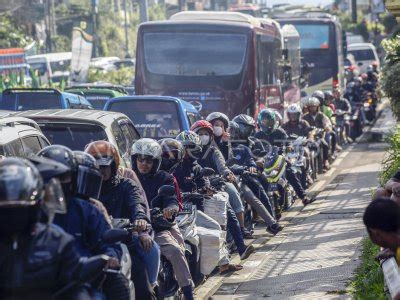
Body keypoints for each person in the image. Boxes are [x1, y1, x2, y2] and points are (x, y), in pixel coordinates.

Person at [0, 158, 84, 299]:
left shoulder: (58, 243)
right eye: (6, 210)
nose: (13, 217)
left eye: (20, 209)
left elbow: (77, 287)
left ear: (36, 205)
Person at [85, 140, 160, 297]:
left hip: (123, 242)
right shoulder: (85, 188)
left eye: (105, 166)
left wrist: (140, 220)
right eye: (97, 166)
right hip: (90, 245)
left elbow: (137, 203)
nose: (101, 170)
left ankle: (153, 285)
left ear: (113, 165)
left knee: (142, 284)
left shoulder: (126, 185)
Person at [131, 138, 194, 300]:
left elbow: (171, 198)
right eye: (140, 159)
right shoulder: (128, 179)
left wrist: (170, 209)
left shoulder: (164, 178)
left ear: (156, 162)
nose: (143, 164)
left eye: (149, 160)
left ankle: (188, 293)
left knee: (175, 250)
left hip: (156, 227)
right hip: (130, 230)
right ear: (134, 159)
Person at [190, 120, 253, 239]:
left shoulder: (213, 151)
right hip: (194, 183)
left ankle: (241, 228)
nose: (203, 137)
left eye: (206, 134)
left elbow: (222, 166)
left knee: (233, 193)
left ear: (211, 136)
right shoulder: (189, 151)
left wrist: (227, 173)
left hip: (216, 181)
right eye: (200, 133)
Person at [229, 121, 283, 234]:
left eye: (231, 131)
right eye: (227, 131)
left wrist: (252, 167)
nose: (229, 134)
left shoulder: (243, 148)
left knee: (257, 194)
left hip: (243, 178)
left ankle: (271, 223)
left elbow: (251, 161)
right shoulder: (218, 148)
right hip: (226, 180)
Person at [255, 108, 312, 206]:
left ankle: (303, 197)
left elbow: (287, 142)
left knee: (289, 171)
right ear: (260, 122)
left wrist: (288, 147)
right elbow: (252, 145)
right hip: (264, 161)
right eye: (264, 121)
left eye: (268, 120)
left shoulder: (280, 132)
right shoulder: (258, 135)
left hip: (279, 158)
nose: (266, 123)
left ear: (273, 121)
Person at [302, 97, 333, 171]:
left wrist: (326, 127)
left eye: (314, 106)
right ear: (308, 107)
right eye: (311, 107)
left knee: (325, 144)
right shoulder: (304, 117)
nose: (313, 108)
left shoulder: (321, 115)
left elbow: (327, 123)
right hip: (308, 138)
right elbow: (301, 124)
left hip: (319, 137)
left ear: (317, 107)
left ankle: (326, 161)